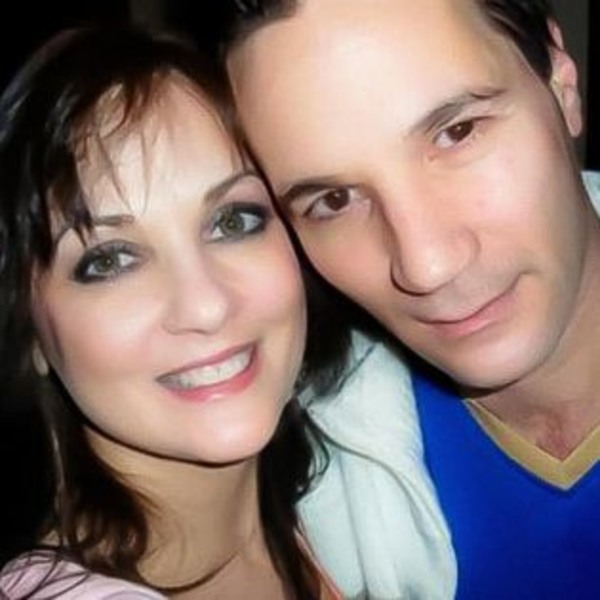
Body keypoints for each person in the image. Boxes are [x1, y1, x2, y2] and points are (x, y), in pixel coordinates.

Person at [219, 0, 600, 598]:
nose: (426, 266)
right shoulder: (309, 489)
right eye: (334, 201)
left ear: (561, 81)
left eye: (457, 132)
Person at [0, 23, 352, 599]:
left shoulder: (355, 503)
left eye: (233, 221)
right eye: (109, 260)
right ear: (32, 330)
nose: (206, 305)